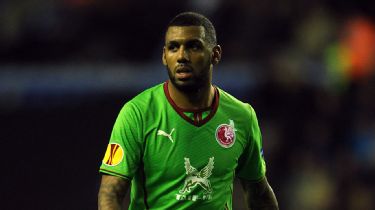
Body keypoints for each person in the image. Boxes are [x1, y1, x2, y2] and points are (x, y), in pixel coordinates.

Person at [98, 11, 279, 210]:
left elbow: (259, 193)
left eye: (193, 46)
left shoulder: (242, 116)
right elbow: (111, 193)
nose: (182, 56)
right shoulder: (138, 113)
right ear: (164, 56)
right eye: (173, 47)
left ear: (215, 54)